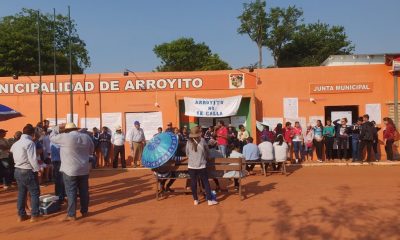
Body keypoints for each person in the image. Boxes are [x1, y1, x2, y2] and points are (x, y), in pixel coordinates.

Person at [50, 123, 94, 221]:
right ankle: (84, 211)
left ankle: (71, 214)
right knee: (84, 192)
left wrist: (57, 128)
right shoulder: (86, 137)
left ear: (66, 130)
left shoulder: (65, 137)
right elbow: (91, 150)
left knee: (71, 192)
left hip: (69, 169)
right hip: (83, 168)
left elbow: (52, 137)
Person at [10, 124, 41, 222]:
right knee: (34, 192)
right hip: (27, 169)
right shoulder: (29, 143)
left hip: (17, 169)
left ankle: (21, 215)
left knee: (22, 193)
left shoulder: (16, 143)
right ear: (32, 133)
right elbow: (32, 158)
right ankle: (35, 215)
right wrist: (37, 169)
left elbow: (11, 152)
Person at [185, 126, 218, 206]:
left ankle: (195, 200)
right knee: (206, 182)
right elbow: (207, 151)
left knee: (193, 183)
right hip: (202, 165)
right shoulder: (202, 140)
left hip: (191, 166)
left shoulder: (188, 142)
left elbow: (187, 153)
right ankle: (210, 200)